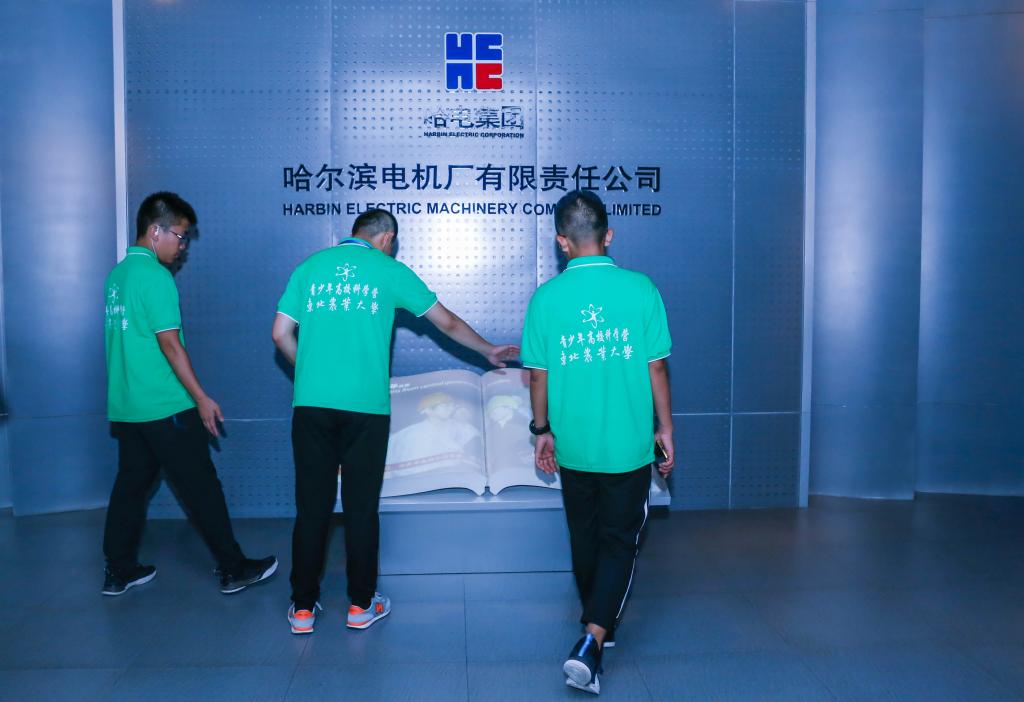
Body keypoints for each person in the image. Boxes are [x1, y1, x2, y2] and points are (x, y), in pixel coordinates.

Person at [272, 208, 518, 635]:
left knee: (312, 506)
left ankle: (303, 608)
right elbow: (447, 322)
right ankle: (360, 605)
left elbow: (280, 333)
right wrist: (487, 350)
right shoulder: (389, 271)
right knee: (361, 506)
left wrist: (310, 372)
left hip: (311, 406)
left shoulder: (309, 267)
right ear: (386, 238)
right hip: (366, 408)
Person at [521, 190, 675, 695]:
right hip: (628, 446)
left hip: (574, 445)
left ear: (562, 242)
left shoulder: (546, 298)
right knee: (620, 540)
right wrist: (665, 428)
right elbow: (656, 367)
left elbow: (538, 377)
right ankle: (593, 636)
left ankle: (596, 622)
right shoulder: (641, 288)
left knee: (584, 536)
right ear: (608, 235)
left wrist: (541, 431)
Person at [102, 192, 277, 596]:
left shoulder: (118, 276)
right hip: (166, 406)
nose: (182, 247)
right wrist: (200, 397)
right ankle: (233, 568)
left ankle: (118, 570)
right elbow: (170, 345)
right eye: (180, 237)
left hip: (129, 408)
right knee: (201, 487)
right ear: (155, 231)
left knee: (130, 488)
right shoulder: (156, 278)